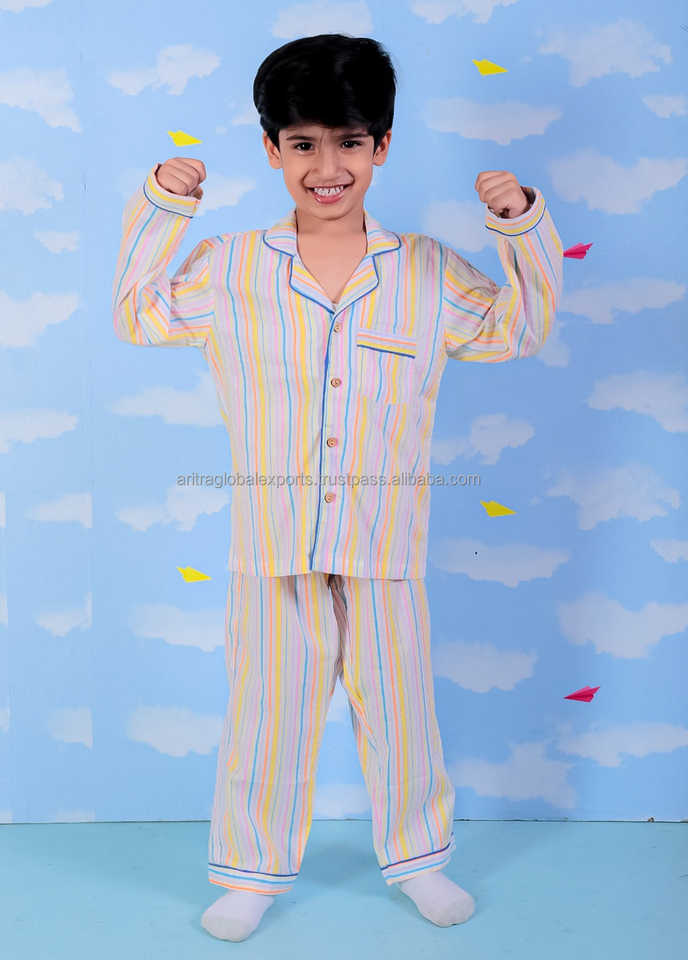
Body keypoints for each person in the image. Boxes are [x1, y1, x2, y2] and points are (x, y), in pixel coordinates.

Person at [111, 33, 563, 943]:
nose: (328, 167)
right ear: (272, 149)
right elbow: (138, 314)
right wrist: (163, 206)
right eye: (305, 144)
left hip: (385, 544)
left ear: (382, 145)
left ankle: (421, 861)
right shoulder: (230, 268)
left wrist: (520, 225)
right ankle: (251, 875)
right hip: (272, 543)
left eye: (350, 142)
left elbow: (519, 330)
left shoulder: (428, 270)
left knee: (400, 712)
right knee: (267, 714)